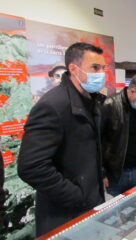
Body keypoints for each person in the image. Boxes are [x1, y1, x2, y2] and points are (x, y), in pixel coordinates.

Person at [17, 42, 107, 236]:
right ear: (74, 69)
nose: (101, 73)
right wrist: (77, 196)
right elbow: (31, 166)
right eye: (95, 68)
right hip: (64, 215)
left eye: (103, 68)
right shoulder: (53, 105)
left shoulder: (93, 101)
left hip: (90, 208)